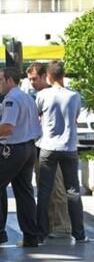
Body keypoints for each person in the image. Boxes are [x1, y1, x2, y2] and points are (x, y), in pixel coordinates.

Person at [0, 67, 41, 247]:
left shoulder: (11, 99)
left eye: (0, 79)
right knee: (24, 192)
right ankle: (31, 236)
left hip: (13, 149)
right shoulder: (27, 97)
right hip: (29, 148)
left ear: (10, 80)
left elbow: (8, 126)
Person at [36, 60, 89, 243]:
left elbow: (38, 116)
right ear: (63, 75)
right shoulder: (74, 96)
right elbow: (75, 117)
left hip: (48, 148)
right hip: (69, 148)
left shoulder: (43, 94)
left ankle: (41, 233)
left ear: (48, 76)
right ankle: (79, 234)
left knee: (44, 191)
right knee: (73, 191)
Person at [25, 62, 71, 237]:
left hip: (54, 147)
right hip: (40, 147)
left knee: (57, 187)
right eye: (29, 79)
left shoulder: (52, 95)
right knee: (46, 189)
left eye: (35, 78)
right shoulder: (38, 95)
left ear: (45, 76)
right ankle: (50, 226)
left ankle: (61, 227)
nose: (32, 83)